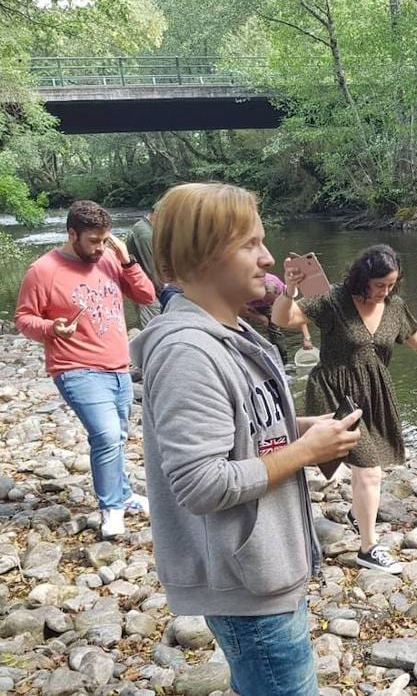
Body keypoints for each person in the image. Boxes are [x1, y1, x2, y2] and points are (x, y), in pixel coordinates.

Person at [131, 182, 361, 696]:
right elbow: (201, 484)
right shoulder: (188, 353)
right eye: (251, 244)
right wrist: (304, 452)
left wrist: (298, 430)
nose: (269, 257)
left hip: (262, 574)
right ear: (203, 254)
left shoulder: (234, 332)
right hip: (246, 585)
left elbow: (242, 436)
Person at [272, 244, 417, 574]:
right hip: (336, 393)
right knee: (369, 469)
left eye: (391, 284)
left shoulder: (395, 306)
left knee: (367, 469)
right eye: (379, 285)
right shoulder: (334, 300)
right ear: (363, 278)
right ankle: (368, 549)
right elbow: (283, 318)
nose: (385, 291)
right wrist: (290, 289)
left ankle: (361, 513)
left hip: (376, 392)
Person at [14, 200, 158, 538]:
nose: (99, 247)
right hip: (74, 366)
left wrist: (127, 259)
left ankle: (124, 495)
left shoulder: (109, 258)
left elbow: (147, 295)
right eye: (93, 241)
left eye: (105, 239)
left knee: (118, 436)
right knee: (106, 435)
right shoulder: (42, 271)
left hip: (118, 365)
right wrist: (51, 328)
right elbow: (23, 318)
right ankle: (111, 508)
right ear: (72, 233)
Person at [240, 273, 313, 363]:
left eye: (271, 301)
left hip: (264, 300)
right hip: (241, 303)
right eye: (266, 301)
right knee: (244, 331)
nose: (269, 303)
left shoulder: (283, 291)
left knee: (274, 331)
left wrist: (306, 338)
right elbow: (238, 309)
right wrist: (260, 317)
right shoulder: (246, 289)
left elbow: (297, 313)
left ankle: (282, 363)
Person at [125, 206, 163, 327]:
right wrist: (166, 295)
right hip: (147, 291)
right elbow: (151, 269)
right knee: (154, 327)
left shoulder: (144, 227)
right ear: (156, 214)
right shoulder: (145, 234)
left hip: (142, 286)